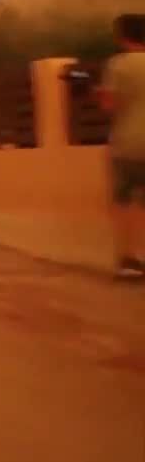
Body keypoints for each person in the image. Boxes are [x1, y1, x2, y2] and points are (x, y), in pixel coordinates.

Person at [98, 14, 145, 279]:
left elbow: (108, 105)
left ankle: (129, 260)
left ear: (123, 36)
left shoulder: (118, 65)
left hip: (127, 144)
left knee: (124, 202)